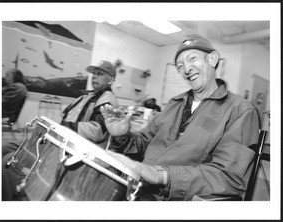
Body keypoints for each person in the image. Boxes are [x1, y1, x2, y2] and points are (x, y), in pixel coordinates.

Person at [101, 34, 260, 201]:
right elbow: (144, 141)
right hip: (139, 187)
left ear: (212, 59)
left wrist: (162, 175)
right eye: (180, 65)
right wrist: (122, 136)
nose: (186, 69)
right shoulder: (174, 104)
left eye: (192, 59)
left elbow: (229, 177)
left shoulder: (240, 110)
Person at [2, 60, 118, 200]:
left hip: (71, 151)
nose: (94, 76)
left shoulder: (108, 101)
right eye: (93, 73)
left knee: (8, 162)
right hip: (57, 140)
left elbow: (97, 130)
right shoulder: (85, 96)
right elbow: (63, 117)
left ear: (110, 79)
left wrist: (66, 126)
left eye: (99, 74)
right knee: (7, 147)